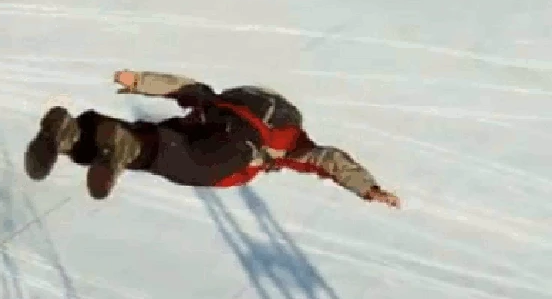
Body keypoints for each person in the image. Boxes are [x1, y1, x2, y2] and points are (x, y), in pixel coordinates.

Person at [24, 69, 401, 207]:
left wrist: (137, 80)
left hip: (193, 131)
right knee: (184, 163)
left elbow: (182, 86)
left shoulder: (221, 101)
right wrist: (369, 189)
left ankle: (72, 133)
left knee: (151, 142)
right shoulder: (291, 140)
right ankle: (116, 144)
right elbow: (330, 159)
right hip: (229, 155)